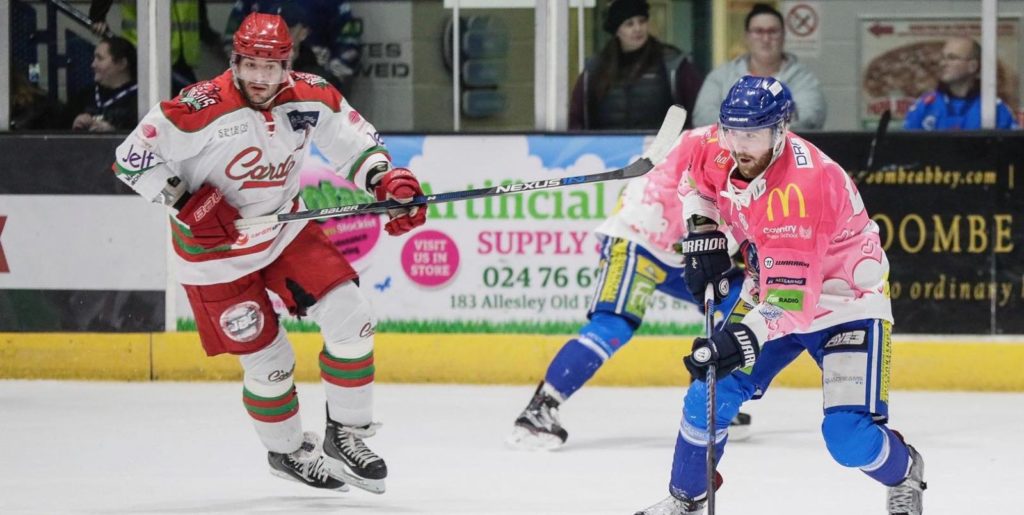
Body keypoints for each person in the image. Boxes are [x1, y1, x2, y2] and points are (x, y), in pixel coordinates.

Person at [111, 13, 427, 493]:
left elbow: (355, 145)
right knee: (269, 360)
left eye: (273, 66)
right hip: (213, 254)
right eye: (251, 65)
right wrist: (183, 200)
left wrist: (387, 180)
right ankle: (287, 451)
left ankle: (346, 433)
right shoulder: (199, 106)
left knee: (351, 315)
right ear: (234, 61)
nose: (261, 77)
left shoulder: (312, 95)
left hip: (283, 231)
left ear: (288, 63)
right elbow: (130, 159)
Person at [635, 76, 926, 515]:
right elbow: (696, 184)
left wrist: (738, 339)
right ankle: (687, 499)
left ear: (780, 130)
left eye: (752, 134)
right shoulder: (719, 143)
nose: (739, 144)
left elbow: (794, 301)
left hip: (844, 303)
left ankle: (905, 471)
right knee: (709, 392)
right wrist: (703, 230)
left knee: (847, 437)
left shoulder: (802, 188)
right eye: (733, 131)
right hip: (770, 287)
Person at [507, 126, 752, 450]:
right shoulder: (707, 142)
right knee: (614, 325)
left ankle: (708, 398)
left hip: (686, 248)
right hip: (640, 237)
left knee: (739, 302)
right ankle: (541, 408)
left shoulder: (763, 154)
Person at [569, 0, 703, 130]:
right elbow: (577, 117)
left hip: (661, 149)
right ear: (617, 30)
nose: (637, 28)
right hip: (606, 150)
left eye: (642, 21)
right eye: (629, 24)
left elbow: (697, 110)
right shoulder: (595, 69)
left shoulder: (672, 64)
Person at [691, 3, 826, 130]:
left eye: (773, 31)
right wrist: (761, 125)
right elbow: (702, 117)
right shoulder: (721, 76)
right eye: (758, 31)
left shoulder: (803, 78)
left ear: (784, 36)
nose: (766, 39)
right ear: (746, 37)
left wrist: (743, 122)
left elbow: (810, 118)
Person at [223, 1, 362, 95]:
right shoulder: (253, 81)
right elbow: (232, 37)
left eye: (288, 28)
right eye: (273, 27)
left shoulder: (320, 82)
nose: (279, 34)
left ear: (303, 32)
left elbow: (349, 43)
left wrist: (332, 79)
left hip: (316, 71)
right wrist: (246, 72)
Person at [89, 0, 219, 88]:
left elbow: (197, 6)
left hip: (181, 55)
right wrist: (98, 16)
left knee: (190, 108)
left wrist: (207, 33)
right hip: (144, 51)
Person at [904, 36, 1018, 130]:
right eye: (943, 58)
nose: (943, 63)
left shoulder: (994, 108)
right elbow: (904, 151)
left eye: (952, 58)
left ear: (972, 66)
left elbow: (1012, 152)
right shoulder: (925, 105)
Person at [68, 36, 138, 132]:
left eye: (100, 59)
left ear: (122, 64)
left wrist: (114, 133)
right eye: (94, 58)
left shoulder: (140, 98)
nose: (93, 65)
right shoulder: (84, 96)